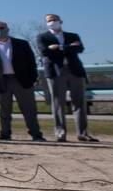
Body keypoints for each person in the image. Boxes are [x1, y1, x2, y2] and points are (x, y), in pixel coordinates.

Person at [0, 21, 44, 142]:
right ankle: (5, 133)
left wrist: (33, 78)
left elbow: (31, 63)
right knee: (4, 110)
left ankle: (36, 134)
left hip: (22, 80)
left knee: (29, 109)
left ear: (8, 29)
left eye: (1, 28)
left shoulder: (22, 44)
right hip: (0, 81)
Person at [36, 14, 97, 142]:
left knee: (79, 103)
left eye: (54, 20)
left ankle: (83, 133)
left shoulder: (72, 35)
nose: (52, 22)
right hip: (55, 72)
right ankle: (60, 133)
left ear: (60, 21)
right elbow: (44, 52)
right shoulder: (42, 37)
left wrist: (59, 47)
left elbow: (80, 49)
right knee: (58, 103)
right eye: (49, 21)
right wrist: (69, 47)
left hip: (75, 70)